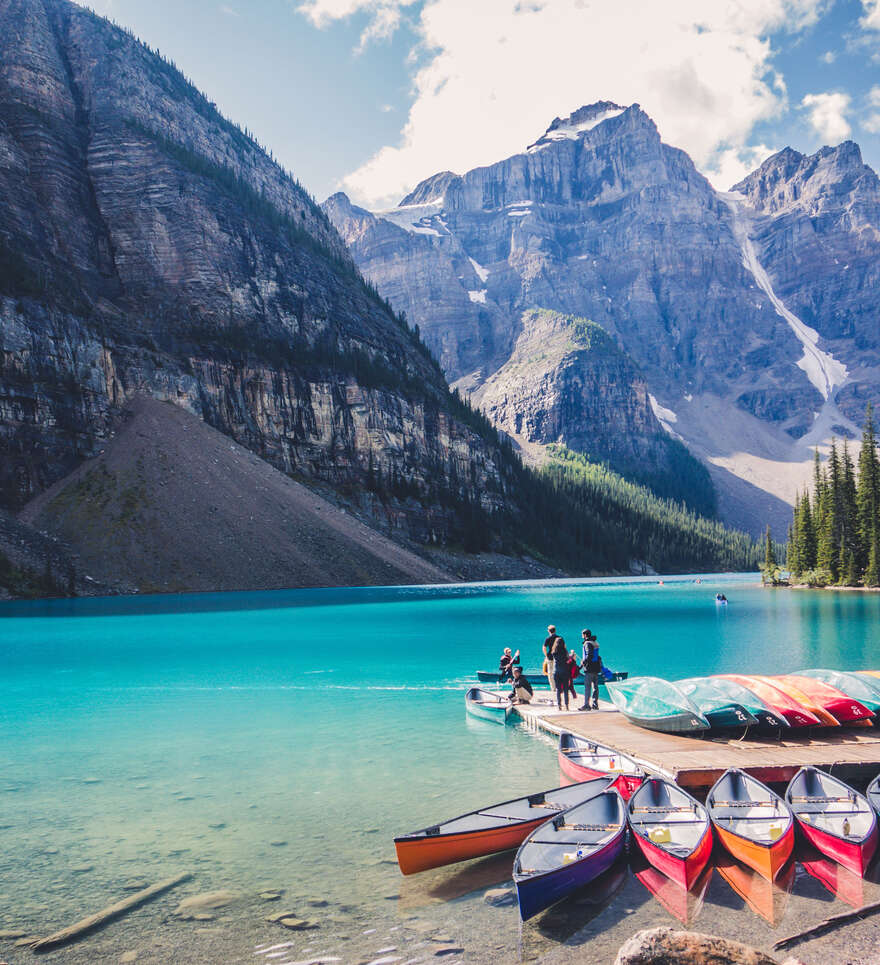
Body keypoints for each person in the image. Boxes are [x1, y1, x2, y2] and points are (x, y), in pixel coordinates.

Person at [579, 630, 602, 711]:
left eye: (582, 634)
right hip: (596, 668)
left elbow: (589, 655)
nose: (582, 636)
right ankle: (595, 704)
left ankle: (586, 705)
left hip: (589, 669)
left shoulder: (587, 644)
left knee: (587, 687)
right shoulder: (595, 642)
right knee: (595, 687)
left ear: (585, 635)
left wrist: (582, 664)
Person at [551, 636, 570, 710]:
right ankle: (567, 705)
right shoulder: (565, 651)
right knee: (566, 689)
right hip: (565, 671)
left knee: (558, 690)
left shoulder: (554, 652)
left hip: (556, 672)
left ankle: (559, 705)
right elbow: (567, 659)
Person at [543, 625, 558, 694]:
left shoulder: (548, 638)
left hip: (550, 656)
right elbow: (564, 647)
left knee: (550, 673)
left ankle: (553, 688)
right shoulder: (559, 638)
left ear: (549, 631)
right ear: (555, 630)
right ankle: (559, 686)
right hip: (558, 656)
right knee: (557, 671)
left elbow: (544, 648)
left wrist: (546, 655)